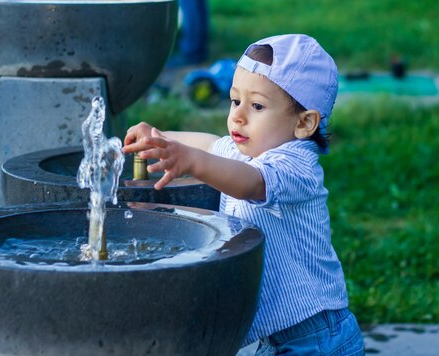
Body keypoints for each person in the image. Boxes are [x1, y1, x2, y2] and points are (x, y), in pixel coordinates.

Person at [123, 34, 364, 355]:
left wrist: (191, 161)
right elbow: (209, 143)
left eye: (257, 106)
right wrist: (159, 138)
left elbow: (252, 183)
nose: (238, 115)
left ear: (305, 123)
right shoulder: (245, 152)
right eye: (235, 101)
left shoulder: (296, 167)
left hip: (316, 336)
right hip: (277, 338)